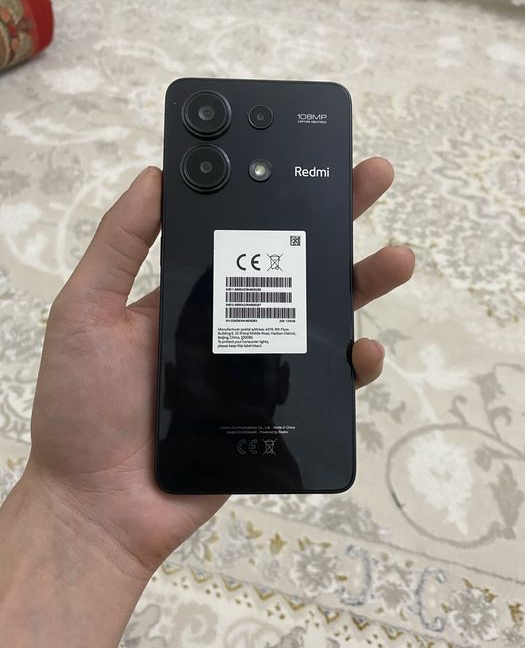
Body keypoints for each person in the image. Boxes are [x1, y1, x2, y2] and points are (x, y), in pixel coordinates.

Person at [0, 158, 415, 646]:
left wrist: (73, 514)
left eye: (253, 364)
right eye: (212, 356)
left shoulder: (283, 460)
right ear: (171, 378)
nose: (231, 374)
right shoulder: (277, 456)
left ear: (284, 384)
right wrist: (72, 506)